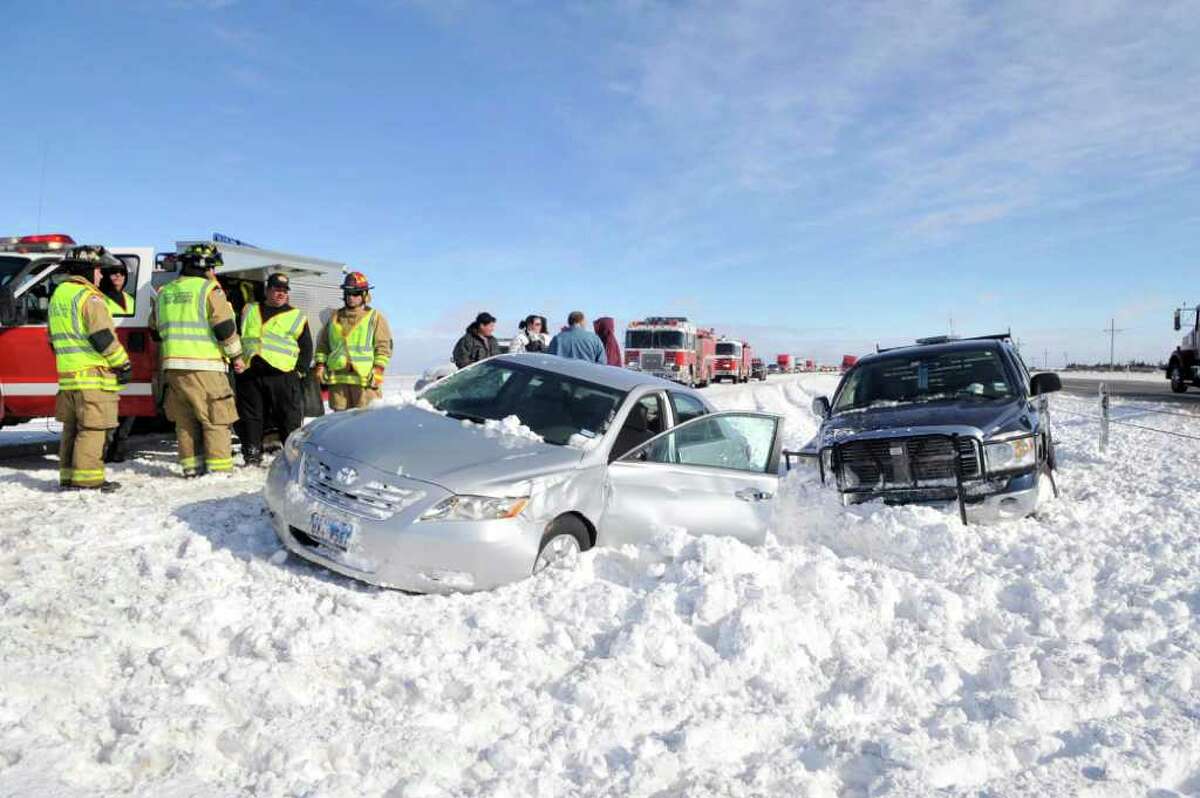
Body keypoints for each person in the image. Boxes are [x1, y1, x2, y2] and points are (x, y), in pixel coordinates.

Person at [149, 243, 245, 477]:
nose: (214, 272)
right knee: (215, 419)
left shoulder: (165, 292)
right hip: (206, 367)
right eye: (213, 267)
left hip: (173, 368)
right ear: (205, 266)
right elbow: (224, 329)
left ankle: (191, 469)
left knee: (185, 421)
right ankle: (219, 471)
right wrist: (237, 357)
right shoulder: (209, 290)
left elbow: (154, 331)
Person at [48, 245, 132, 491]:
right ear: (87, 270)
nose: (101, 276)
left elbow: (52, 339)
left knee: (71, 429)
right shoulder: (89, 297)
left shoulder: (59, 295)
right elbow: (102, 336)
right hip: (92, 377)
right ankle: (88, 481)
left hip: (68, 377)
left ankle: (68, 476)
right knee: (92, 429)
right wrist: (122, 364)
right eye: (97, 270)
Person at [235, 273, 312, 466]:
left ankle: (292, 455)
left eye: (284, 291)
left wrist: (300, 371)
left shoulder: (296, 316)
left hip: (282, 375)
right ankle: (252, 453)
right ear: (267, 290)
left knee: (288, 418)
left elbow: (306, 347)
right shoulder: (249, 310)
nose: (280, 294)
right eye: (277, 289)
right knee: (251, 417)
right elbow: (236, 335)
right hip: (251, 372)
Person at [313, 271, 393, 411]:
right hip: (338, 383)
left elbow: (383, 347)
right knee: (340, 425)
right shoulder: (334, 318)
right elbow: (323, 346)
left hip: (364, 383)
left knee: (365, 424)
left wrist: (378, 370)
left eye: (355, 294)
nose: (351, 297)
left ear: (364, 295)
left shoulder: (375, 317)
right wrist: (320, 366)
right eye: (348, 293)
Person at [98, 261, 136, 462]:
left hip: (128, 355)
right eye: (113, 273)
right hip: (106, 357)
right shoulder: (99, 300)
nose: (118, 277)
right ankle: (107, 448)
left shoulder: (130, 299)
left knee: (130, 406)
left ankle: (119, 447)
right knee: (109, 405)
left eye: (121, 273)